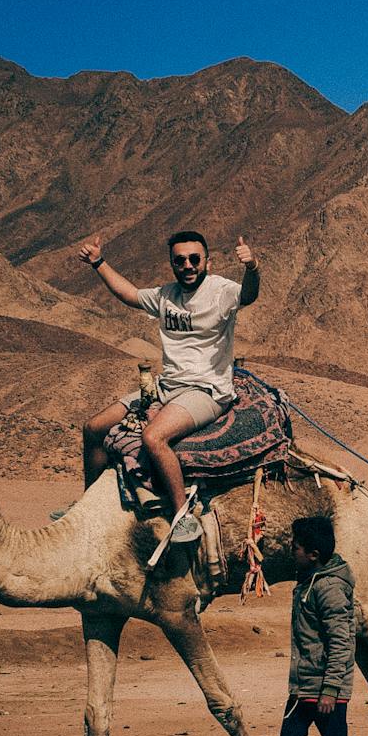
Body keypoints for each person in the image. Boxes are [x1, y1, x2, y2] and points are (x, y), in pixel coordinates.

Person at [75, 230, 260, 542]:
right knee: (93, 428)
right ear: (173, 264)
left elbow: (249, 295)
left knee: (154, 437)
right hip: (167, 386)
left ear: (208, 262)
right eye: (180, 260)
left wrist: (252, 267)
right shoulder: (166, 295)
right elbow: (130, 294)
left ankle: (182, 518)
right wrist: (98, 262)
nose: (187, 265)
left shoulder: (221, 291)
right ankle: (87, 508)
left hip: (207, 390)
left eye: (194, 259)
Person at [282, 515, 359, 736]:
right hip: (304, 684)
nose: (291, 551)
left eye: (296, 547)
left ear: (313, 554)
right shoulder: (309, 580)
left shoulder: (329, 588)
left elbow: (341, 643)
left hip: (327, 688)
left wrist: (330, 689)